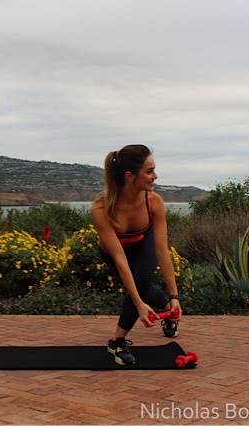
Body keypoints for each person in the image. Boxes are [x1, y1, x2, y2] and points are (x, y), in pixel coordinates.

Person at [91, 145, 182, 365]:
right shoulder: (101, 209)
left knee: (141, 280)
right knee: (143, 289)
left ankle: (117, 342)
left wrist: (175, 296)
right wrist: (139, 303)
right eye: (149, 171)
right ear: (130, 176)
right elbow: (120, 258)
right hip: (114, 253)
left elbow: (162, 250)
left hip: (143, 242)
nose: (155, 176)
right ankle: (164, 309)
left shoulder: (154, 202)